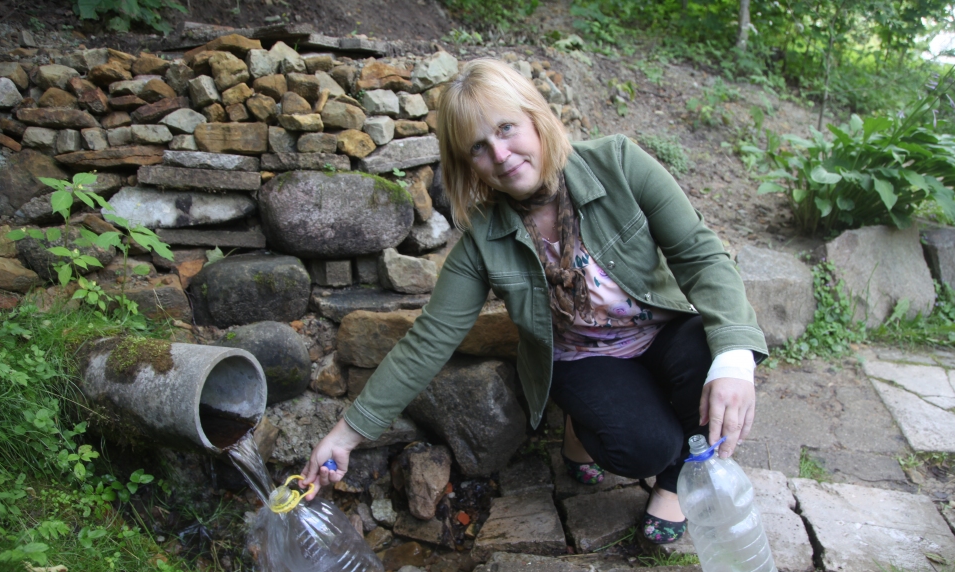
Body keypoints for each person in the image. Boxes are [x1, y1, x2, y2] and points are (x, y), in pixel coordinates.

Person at [302, 59, 767, 544]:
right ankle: (593, 429)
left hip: (663, 329)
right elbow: (431, 339)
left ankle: (675, 483)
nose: (501, 154)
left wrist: (735, 359)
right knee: (645, 448)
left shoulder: (620, 164)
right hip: (585, 355)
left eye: (507, 129)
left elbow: (699, 253)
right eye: (478, 148)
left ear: (536, 118)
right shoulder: (483, 238)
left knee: (716, 356)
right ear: (467, 164)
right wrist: (347, 432)